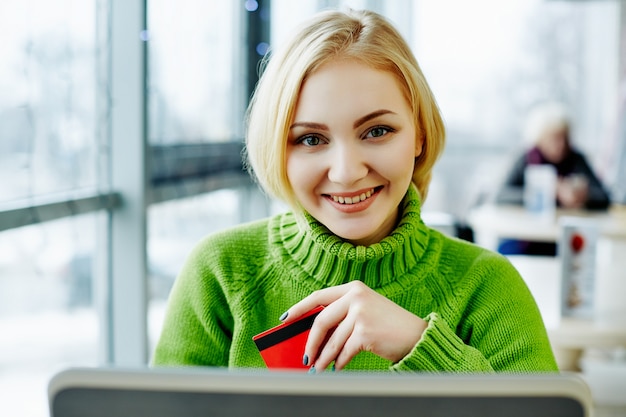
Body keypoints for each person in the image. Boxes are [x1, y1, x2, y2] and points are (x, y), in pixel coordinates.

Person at [152, 9, 557, 373]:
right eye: (311, 139)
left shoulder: (486, 285)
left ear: (418, 135)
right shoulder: (221, 273)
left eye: (377, 131)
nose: (346, 174)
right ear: (278, 148)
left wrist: (420, 345)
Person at [495, 102, 611, 255]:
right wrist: (545, 193)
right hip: (525, 236)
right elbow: (501, 195)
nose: (561, 144)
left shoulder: (576, 159)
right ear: (540, 137)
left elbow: (604, 197)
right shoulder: (526, 159)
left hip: (564, 240)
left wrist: (583, 197)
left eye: (564, 138)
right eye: (555, 138)